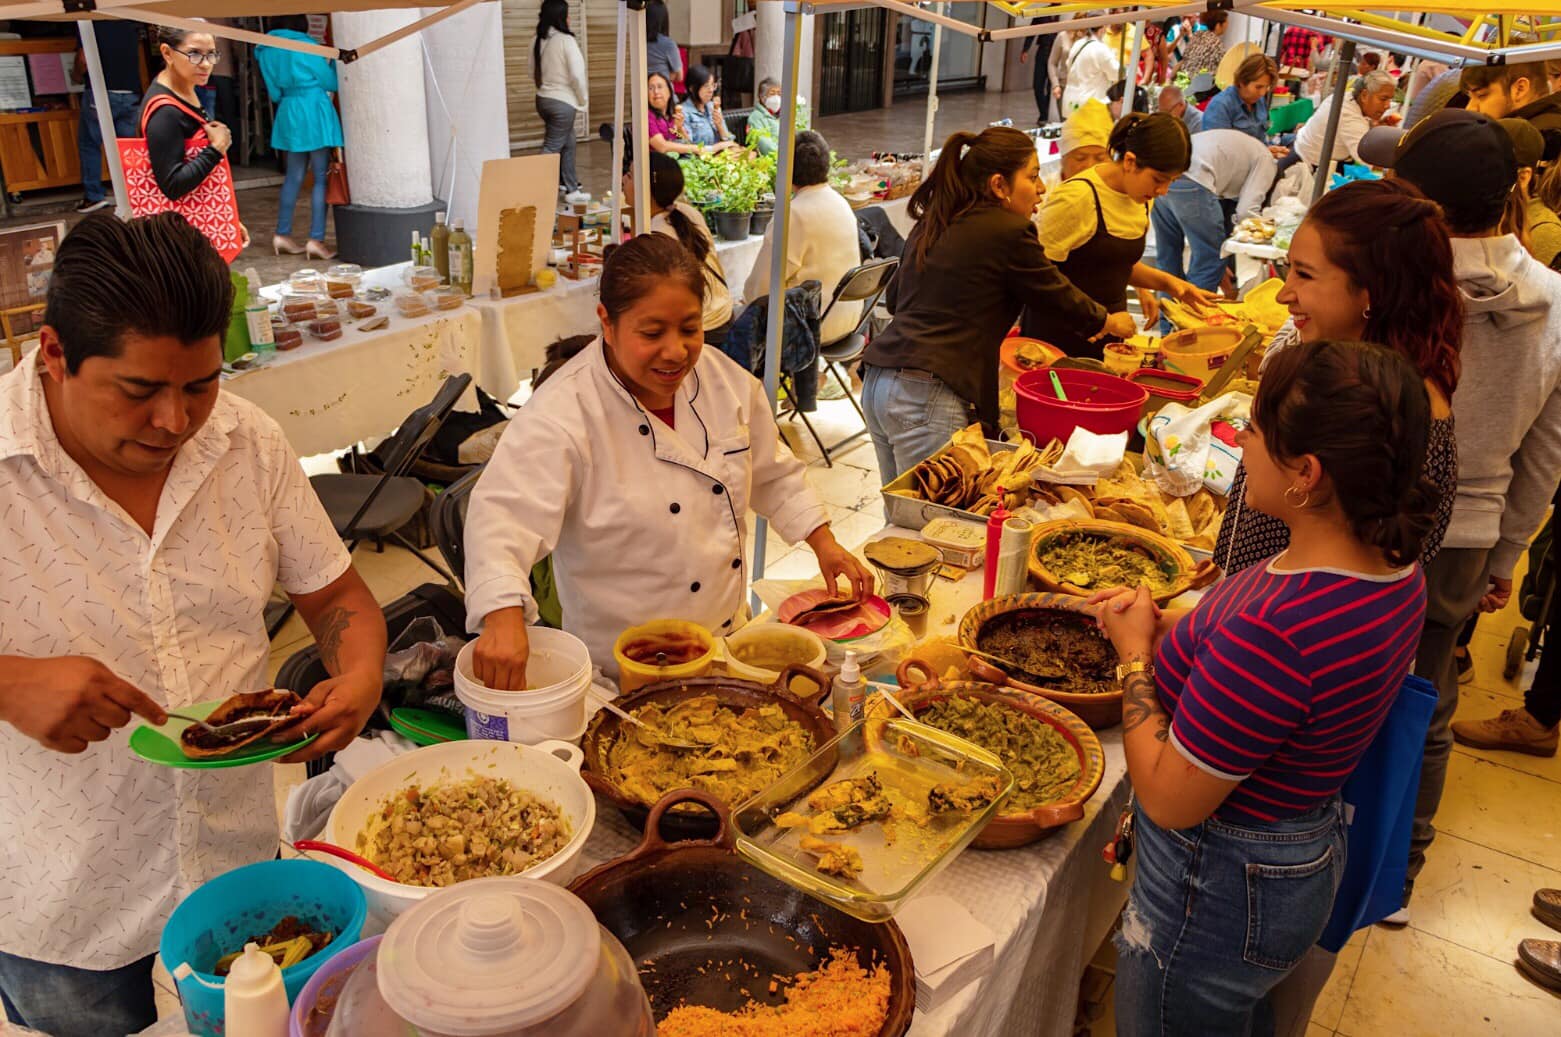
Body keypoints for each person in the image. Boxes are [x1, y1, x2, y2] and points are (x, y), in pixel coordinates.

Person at [0, 213, 386, 1037]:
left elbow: (337, 599)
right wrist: (8, 682)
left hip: (239, 869)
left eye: (201, 384)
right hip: (67, 915)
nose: (175, 422)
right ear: (55, 352)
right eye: (139, 390)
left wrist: (355, 674)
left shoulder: (248, 442)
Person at [1098, 338, 1432, 1037]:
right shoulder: (1392, 569)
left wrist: (1134, 657)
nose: (1239, 443)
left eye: (1252, 430)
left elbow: (1168, 795)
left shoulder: (1277, 630)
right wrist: (1179, 633)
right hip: (1291, 859)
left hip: (1216, 886)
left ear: (1306, 473)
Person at [463, 233, 872, 687]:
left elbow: (773, 473)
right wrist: (502, 614)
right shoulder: (564, 412)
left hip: (724, 642)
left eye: (690, 329)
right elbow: (502, 516)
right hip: (623, 668)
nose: (676, 351)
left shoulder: (727, 383)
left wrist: (823, 542)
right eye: (652, 333)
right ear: (607, 322)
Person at [1356, 109, 1561, 920]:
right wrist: (1507, 555)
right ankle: (1397, 875)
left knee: (1327, 680)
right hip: (1469, 532)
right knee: (1424, 698)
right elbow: (1545, 453)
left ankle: (1314, 842)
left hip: (1367, 512)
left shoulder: (1399, 277)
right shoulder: (1552, 295)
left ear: (1421, 205)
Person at [1215, 178, 1462, 577]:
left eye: (1305, 275)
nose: (1283, 292)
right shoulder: (1333, 368)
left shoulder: (1396, 417)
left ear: (1372, 292)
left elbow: (1353, 586)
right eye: (1288, 269)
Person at [860, 127, 1133, 478]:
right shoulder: (1009, 231)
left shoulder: (938, 220)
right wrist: (1107, 321)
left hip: (880, 383)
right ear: (999, 185)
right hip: (927, 393)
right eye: (1032, 176)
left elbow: (897, 300)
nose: (1041, 187)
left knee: (903, 513)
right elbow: (1054, 291)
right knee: (933, 520)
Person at [1029, 112, 1219, 358]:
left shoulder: (1141, 198)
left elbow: (1112, 266)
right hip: (1058, 339)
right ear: (1130, 161)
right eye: (1159, 179)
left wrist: (1172, 285)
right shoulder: (1077, 198)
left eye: (1171, 181)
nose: (1164, 191)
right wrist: (1101, 320)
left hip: (1110, 335)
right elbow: (1038, 278)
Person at [743, 131, 860, 346]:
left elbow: (760, 290)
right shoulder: (840, 202)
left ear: (786, 170)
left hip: (810, 328)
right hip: (850, 319)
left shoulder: (793, 215)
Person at [140, 25, 244, 238]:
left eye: (212, 55)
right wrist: (216, 148)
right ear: (167, 53)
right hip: (177, 236)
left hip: (191, 228)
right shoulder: (166, 112)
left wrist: (226, 215)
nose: (206, 64)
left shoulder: (184, 90)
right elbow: (172, 185)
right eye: (194, 54)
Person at [256, 16, 343, 260]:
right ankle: (316, 240)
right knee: (320, 179)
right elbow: (331, 82)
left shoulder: (264, 49)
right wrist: (337, 62)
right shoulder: (306, 45)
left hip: (289, 111)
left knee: (293, 176)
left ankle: (282, 234)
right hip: (314, 109)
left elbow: (274, 94)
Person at [1151, 128, 1276, 290]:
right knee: (1211, 257)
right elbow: (1246, 211)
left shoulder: (1250, 148)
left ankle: (1166, 314)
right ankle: (1193, 312)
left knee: (1168, 255)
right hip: (1195, 177)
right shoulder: (1267, 162)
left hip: (1165, 174)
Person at [637, 152, 733, 344]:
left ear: (647, 188)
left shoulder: (656, 235)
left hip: (704, 325)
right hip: (721, 312)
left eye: (630, 175)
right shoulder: (686, 211)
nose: (623, 180)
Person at [73, 18, 143, 214]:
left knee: (90, 144)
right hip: (130, 91)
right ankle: (135, 191)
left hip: (101, 89)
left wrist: (76, 76)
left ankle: (94, 195)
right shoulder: (127, 19)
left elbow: (83, 59)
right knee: (128, 147)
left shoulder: (88, 21)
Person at [1291, 70, 1397, 176]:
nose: (1387, 106)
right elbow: (1368, 159)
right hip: (1310, 164)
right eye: (1383, 99)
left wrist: (1375, 127)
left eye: (1390, 100)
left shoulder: (1346, 97)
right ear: (1364, 95)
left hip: (1307, 149)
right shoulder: (1349, 118)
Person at [534, 0, 588, 194]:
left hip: (543, 99)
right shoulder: (566, 40)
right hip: (562, 102)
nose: (570, 18)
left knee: (569, 140)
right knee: (552, 147)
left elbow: (530, 68)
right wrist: (582, 99)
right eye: (567, 15)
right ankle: (532, 187)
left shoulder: (538, 39)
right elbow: (577, 75)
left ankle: (570, 186)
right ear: (562, 18)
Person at [1461, 61, 1561, 161]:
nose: (1470, 108)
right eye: (1469, 97)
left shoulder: (1537, 141)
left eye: (1481, 95)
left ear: (1520, 89)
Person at [1202, 54, 1283, 152]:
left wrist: (1268, 150)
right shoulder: (1220, 106)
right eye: (1258, 87)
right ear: (1242, 82)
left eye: (1266, 87)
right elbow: (1218, 152)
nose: (1262, 93)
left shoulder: (1260, 101)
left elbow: (1261, 139)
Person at [1059, 24, 1118, 116]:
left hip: (1072, 101)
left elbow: (1068, 65)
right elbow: (1115, 74)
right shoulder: (1101, 49)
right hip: (1090, 104)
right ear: (1102, 28)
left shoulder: (1078, 44)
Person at [745, 76, 811, 155]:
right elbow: (765, 146)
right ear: (762, 97)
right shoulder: (756, 118)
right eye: (772, 93)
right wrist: (787, 155)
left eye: (779, 94)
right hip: (777, 158)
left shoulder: (783, 114)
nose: (776, 97)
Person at [679, 64, 735, 148]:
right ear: (692, 88)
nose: (711, 90)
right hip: (699, 159)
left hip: (721, 156)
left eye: (713, 85)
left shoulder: (712, 106)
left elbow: (729, 141)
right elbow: (688, 147)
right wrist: (715, 148)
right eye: (706, 86)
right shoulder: (683, 112)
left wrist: (720, 126)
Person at [1058, 97, 1113, 180]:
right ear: (1063, 160)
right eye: (1080, 158)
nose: (1090, 166)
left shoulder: (1123, 191)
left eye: (1100, 159)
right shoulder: (1045, 191)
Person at [1019, 15, 1058, 124]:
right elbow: (1032, 32)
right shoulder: (1043, 13)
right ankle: (1044, 112)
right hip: (1043, 51)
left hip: (1056, 53)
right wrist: (1025, 50)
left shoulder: (1063, 14)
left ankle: (1046, 115)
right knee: (1038, 85)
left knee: (1052, 86)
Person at [1175, 10, 1227, 79]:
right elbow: (1223, 66)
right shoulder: (1217, 43)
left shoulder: (1198, 34)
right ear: (1218, 25)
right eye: (1226, 22)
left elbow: (1185, 56)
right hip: (1203, 85)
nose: (1227, 25)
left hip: (1187, 80)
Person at [645, 0, 683, 92]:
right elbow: (679, 76)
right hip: (664, 95)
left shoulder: (638, 42)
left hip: (643, 94)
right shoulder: (668, 44)